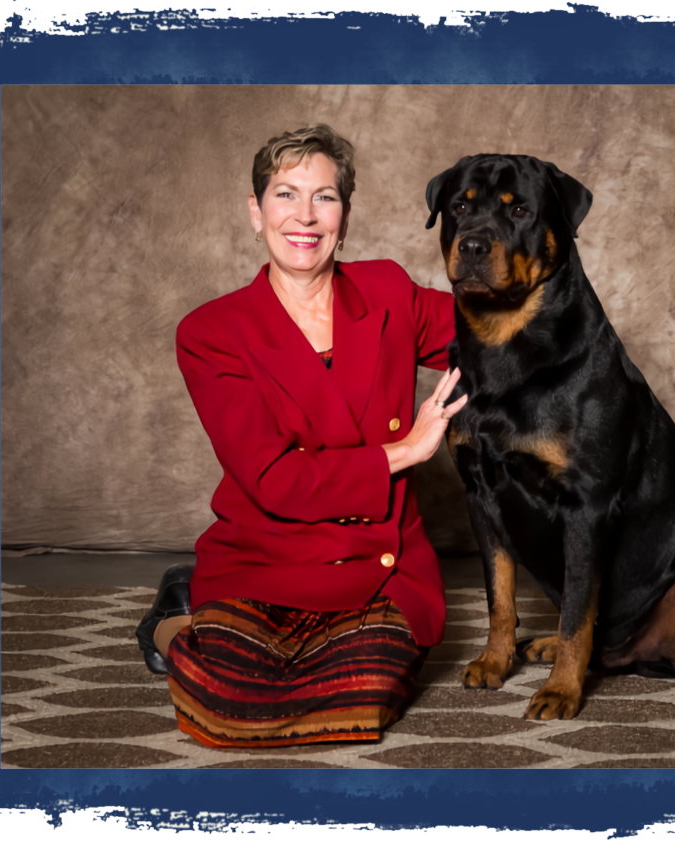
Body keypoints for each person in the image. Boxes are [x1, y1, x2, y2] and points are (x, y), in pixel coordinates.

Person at [135, 125, 466, 749]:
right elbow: (275, 480)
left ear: (345, 214)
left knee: (356, 698)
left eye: (325, 197)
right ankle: (173, 623)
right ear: (255, 212)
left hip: (379, 565)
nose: (305, 217)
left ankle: (208, 628)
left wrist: (530, 249)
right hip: (265, 559)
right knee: (226, 703)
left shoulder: (389, 292)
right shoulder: (212, 332)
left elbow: (490, 334)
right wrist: (405, 451)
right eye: (286, 195)